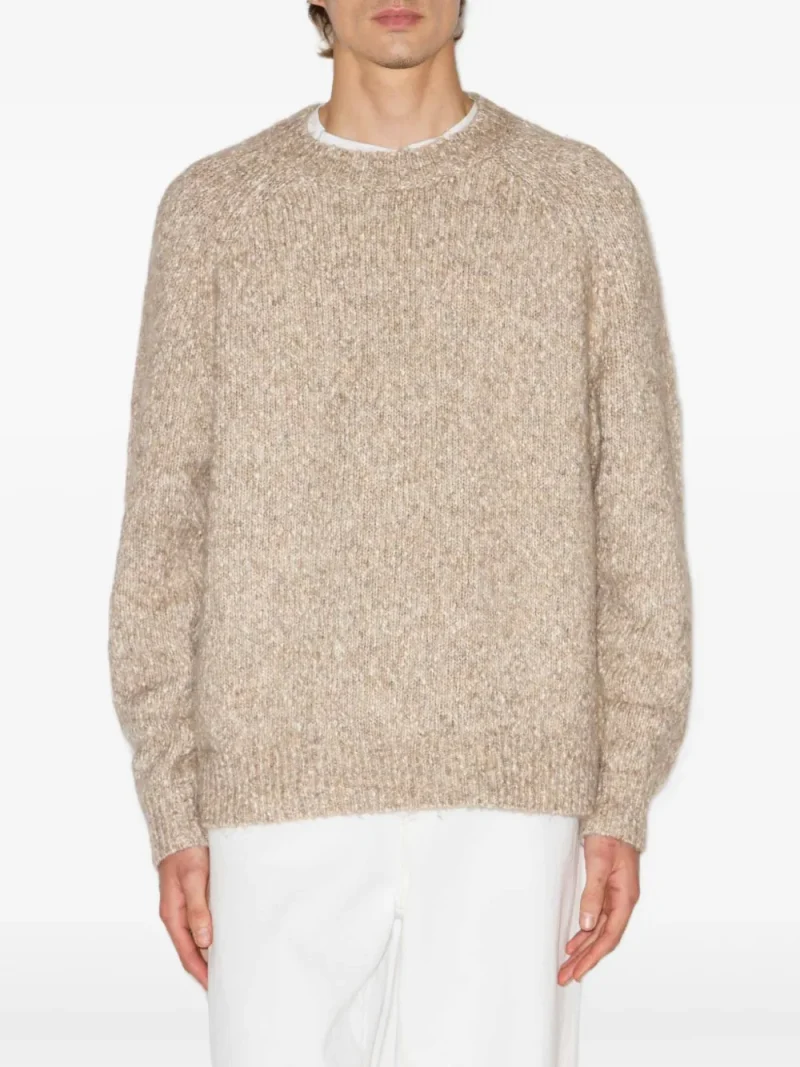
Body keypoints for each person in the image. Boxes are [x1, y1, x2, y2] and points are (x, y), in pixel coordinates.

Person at [107, 2, 693, 1064]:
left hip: (512, 782)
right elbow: (162, 522)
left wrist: (621, 793)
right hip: (273, 778)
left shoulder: (578, 202)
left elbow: (638, 510)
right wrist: (172, 803)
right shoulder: (216, 210)